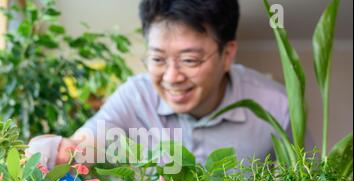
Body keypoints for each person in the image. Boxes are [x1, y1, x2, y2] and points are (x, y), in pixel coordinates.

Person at [28, 0, 305, 170]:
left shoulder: (276, 106)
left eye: (189, 60)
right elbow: (86, 142)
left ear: (227, 55)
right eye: (158, 59)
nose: (171, 77)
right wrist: (58, 151)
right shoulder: (135, 96)